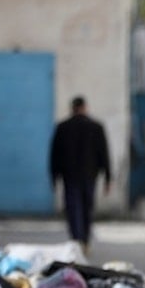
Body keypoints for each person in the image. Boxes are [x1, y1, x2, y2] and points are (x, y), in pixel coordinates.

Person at [49, 96, 111, 254]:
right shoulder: (96, 127)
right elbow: (104, 154)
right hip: (89, 176)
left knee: (73, 209)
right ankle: (84, 241)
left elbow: (54, 155)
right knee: (86, 209)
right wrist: (108, 178)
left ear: (72, 108)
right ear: (85, 107)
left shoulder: (63, 127)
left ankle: (76, 240)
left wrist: (53, 177)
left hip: (69, 176)